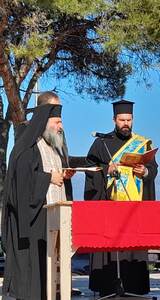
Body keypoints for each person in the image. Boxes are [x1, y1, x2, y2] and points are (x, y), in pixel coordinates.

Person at [1, 94, 75, 300]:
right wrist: (50, 177)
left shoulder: (53, 147)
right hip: (32, 222)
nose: (61, 126)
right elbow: (22, 181)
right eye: (57, 122)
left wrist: (63, 175)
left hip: (50, 219)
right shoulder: (28, 147)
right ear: (45, 122)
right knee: (32, 279)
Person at [84, 99, 158, 297]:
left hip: (135, 207)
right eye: (121, 120)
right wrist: (107, 170)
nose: (126, 123)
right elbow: (90, 168)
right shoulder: (102, 143)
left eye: (129, 120)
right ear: (114, 120)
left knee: (133, 246)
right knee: (111, 245)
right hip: (110, 205)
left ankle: (134, 286)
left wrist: (145, 171)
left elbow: (153, 169)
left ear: (133, 120)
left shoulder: (143, 143)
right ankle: (108, 286)